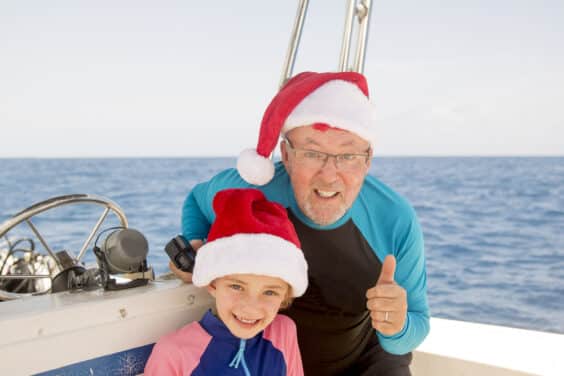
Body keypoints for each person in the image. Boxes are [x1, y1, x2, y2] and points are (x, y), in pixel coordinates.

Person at [172, 71, 430, 375]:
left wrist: (396, 325)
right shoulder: (252, 190)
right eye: (312, 152)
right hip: (274, 360)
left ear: (368, 158)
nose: (329, 174)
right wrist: (197, 249)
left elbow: (413, 330)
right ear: (286, 154)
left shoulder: (394, 218)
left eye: (347, 155)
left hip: (366, 362)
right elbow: (197, 201)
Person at [146, 188, 308, 376]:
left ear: (285, 296)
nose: (251, 307)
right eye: (237, 286)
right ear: (212, 283)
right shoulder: (173, 354)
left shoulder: (283, 332)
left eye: (270, 292)